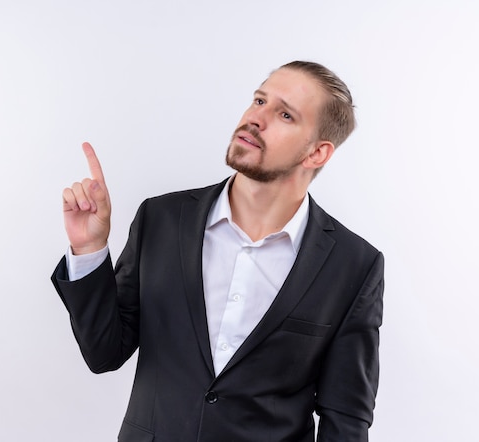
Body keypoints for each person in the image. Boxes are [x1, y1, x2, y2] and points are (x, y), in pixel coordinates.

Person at [51, 61, 384, 442]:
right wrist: (89, 248)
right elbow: (104, 354)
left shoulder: (353, 265)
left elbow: (347, 419)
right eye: (259, 99)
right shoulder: (162, 219)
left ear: (317, 153)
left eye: (285, 114)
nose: (257, 118)